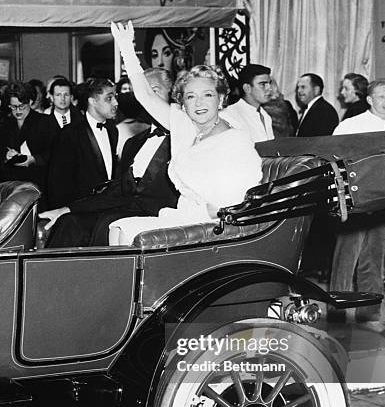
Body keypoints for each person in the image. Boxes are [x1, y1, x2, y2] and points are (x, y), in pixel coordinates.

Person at [108, 21, 262, 246]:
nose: (199, 103)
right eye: (190, 97)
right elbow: (146, 96)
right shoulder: (187, 127)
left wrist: (195, 216)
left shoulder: (235, 140)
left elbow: (234, 203)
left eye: (207, 95)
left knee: (129, 232)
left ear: (221, 99)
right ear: (183, 103)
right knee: (121, 226)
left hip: (215, 225)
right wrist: (126, 48)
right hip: (186, 216)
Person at [41, 68, 178, 247]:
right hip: (119, 207)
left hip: (152, 217)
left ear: (174, 94)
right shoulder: (133, 144)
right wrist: (66, 209)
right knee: (70, 222)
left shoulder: (182, 141)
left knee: (105, 226)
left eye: (154, 90)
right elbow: (116, 190)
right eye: (144, 92)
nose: (148, 98)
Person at [329, 79, 385, 328]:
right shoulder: (351, 126)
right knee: (346, 260)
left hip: (383, 202)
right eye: (381, 97)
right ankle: (338, 314)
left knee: (374, 258)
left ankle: (368, 313)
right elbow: (333, 160)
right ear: (369, 100)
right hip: (356, 202)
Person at [46, 78, 118, 209]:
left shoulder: (113, 130)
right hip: (79, 211)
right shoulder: (69, 133)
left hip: (107, 208)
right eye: (109, 98)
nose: (116, 103)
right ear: (92, 101)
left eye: (115, 97)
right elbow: (58, 183)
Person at [0, 81, 53, 206]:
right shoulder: (4, 124)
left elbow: (54, 152)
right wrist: (6, 156)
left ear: (30, 102)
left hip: (38, 186)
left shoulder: (45, 122)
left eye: (21, 106)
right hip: (11, 187)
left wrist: (33, 159)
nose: (17, 111)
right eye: (13, 107)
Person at [221, 64, 274, 142]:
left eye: (270, 83)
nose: (269, 88)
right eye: (263, 84)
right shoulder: (229, 115)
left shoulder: (266, 116)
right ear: (247, 88)